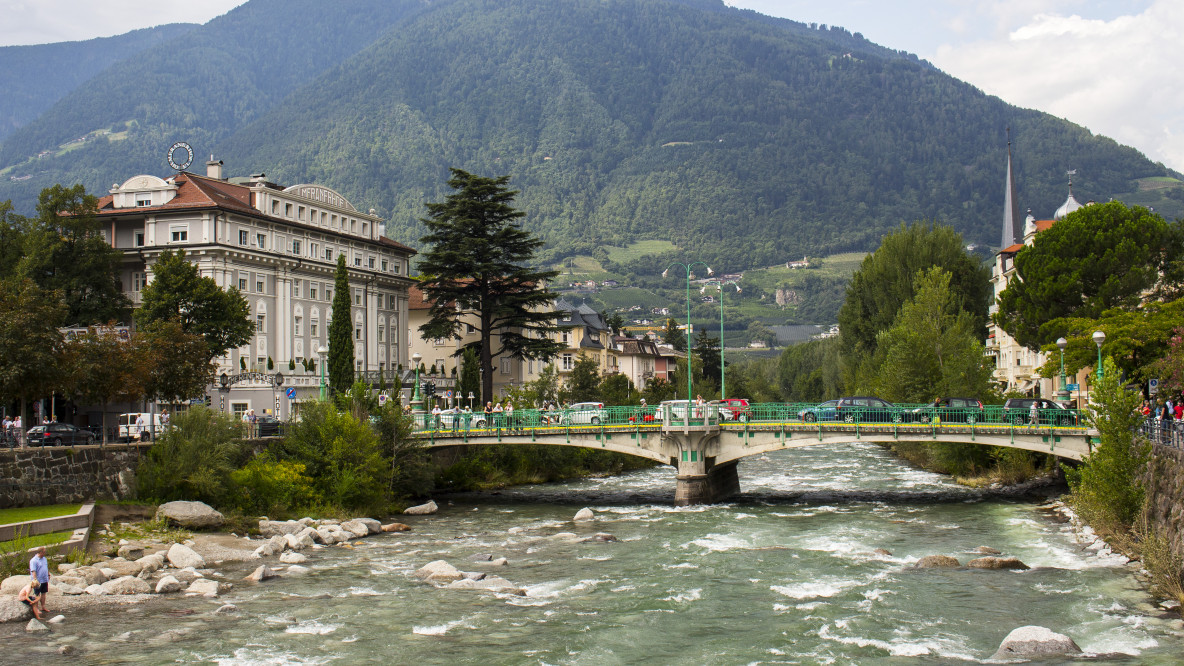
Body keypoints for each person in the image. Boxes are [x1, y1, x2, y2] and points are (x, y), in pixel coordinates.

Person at [28, 546, 49, 615]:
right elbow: (33, 571)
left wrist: (48, 574)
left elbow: (45, 567)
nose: (45, 553)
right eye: (44, 552)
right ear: (40, 552)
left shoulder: (44, 559)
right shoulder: (34, 560)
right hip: (38, 580)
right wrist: (35, 579)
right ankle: (36, 608)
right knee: (37, 594)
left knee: (44, 593)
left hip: (44, 579)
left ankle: (43, 606)